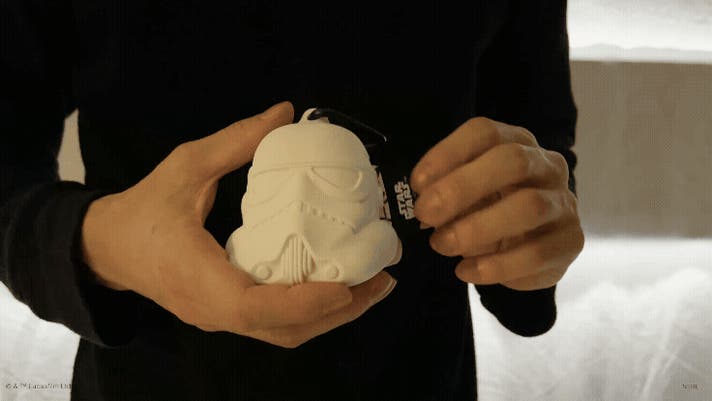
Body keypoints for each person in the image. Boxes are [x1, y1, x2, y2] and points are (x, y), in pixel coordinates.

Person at [0, 0, 584, 400]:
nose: (302, 201)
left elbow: (533, 140)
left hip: (417, 371)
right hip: (148, 378)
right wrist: (104, 243)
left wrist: (529, 228)